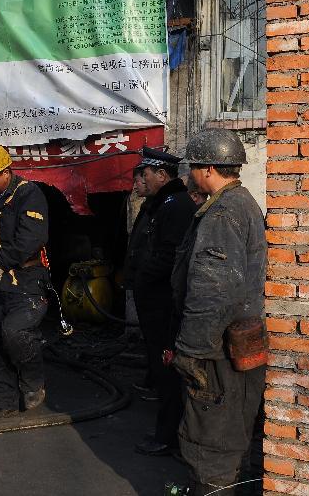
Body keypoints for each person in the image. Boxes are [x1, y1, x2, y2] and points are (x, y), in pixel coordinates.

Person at [171, 128, 267, 495]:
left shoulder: (223, 213)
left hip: (215, 350)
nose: (190, 173)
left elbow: (212, 289)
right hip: (234, 341)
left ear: (208, 169)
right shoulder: (242, 203)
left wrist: (190, 351)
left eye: (194, 166)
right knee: (231, 432)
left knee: (210, 438)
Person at [0, 145, 49, 418]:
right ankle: (4, 401)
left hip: (25, 277)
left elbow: (30, 239)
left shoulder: (28, 195)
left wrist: (0, 261)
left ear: (6, 171)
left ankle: (32, 381)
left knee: (15, 332)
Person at [132, 147, 197, 457]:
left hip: (163, 303)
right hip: (154, 300)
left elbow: (169, 256)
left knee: (167, 369)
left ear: (161, 175)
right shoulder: (161, 204)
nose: (139, 181)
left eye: (144, 175)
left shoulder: (175, 205)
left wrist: (143, 276)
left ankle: (167, 435)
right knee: (160, 369)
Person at [122, 163, 153, 395]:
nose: (135, 186)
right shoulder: (142, 205)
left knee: (155, 338)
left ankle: (155, 379)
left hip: (152, 283)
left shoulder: (159, 208)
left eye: (140, 181)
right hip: (140, 279)